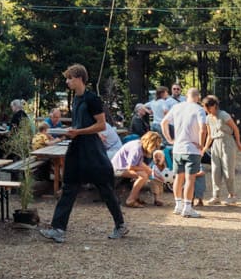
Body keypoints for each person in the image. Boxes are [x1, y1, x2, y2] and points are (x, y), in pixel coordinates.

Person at [40, 64, 128, 242]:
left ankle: (121, 225)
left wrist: (78, 132)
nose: (67, 82)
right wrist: (73, 130)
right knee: (69, 187)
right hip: (76, 147)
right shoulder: (75, 100)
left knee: (105, 188)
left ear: (79, 78)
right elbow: (79, 123)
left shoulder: (92, 99)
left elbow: (101, 125)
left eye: (69, 78)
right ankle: (58, 229)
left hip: (92, 149)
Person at [161, 87, 206, 219]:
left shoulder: (177, 107)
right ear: (198, 97)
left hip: (178, 148)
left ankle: (178, 205)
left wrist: (169, 139)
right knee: (190, 179)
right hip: (192, 149)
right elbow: (203, 128)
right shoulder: (199, 109)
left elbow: (164, 122)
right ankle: (187, 207)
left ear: (187, 95)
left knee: (178, 178)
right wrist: (201, 145)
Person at [200, 95, 241, 205]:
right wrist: (205, 148)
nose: (207, 110)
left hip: (227, 142)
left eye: (208, 107)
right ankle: (216, 196)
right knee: (215, 170)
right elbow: (210, 135)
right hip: (216, 144)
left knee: (228, 170)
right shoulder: (208, 118)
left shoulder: (223, 115)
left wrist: (238, 142)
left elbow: (235, 128)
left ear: (214, 106)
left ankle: (232, 195)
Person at [112, 130, 162, 207]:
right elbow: (130, 167)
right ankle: (130, 200)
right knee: (143, 175)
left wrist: (148, 170)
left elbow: (138, 163)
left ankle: (153, 198)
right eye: (155, 146)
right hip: (117, 170)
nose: (155, 148)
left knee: (149, 171)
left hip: (123, 167)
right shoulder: (136, 149)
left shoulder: (140, 145)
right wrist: (144, 170)